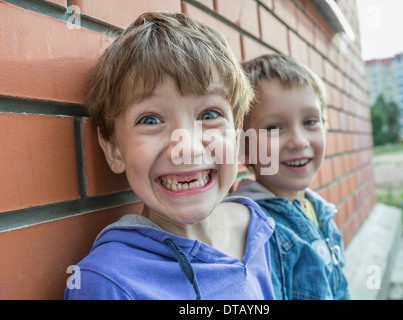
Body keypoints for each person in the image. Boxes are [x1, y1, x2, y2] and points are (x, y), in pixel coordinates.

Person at [64, 12, 275, 300]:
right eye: (150, 120)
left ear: (236, 135)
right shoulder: (106, 283)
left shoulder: (259, 227)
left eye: (209, 114)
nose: (186, 147)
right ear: (113, 148)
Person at [233, 54, 350, 300]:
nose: (299, 141)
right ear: (243, 147)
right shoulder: (255, 231)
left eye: (310, 121)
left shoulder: (319, 210)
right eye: (274, 128)